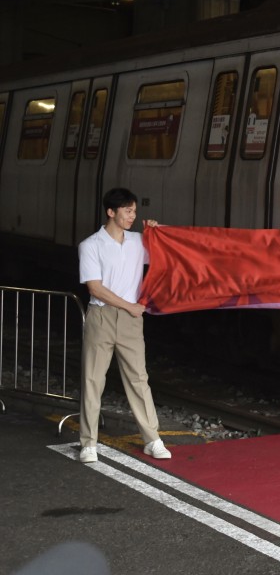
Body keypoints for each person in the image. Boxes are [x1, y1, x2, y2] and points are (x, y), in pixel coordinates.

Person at [77, 188, 171, 463]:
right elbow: (95, 288)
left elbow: (167, 253)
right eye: (128, 211)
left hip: (130, 322)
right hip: (102, 317)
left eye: (134, 211)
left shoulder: (138, 242)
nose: (133, 216)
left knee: (138, 379)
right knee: (93, 379)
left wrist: (158, 231)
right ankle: (88, 443)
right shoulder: (90, 245)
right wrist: (130, 306)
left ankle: (152, 439)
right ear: (111, 212)